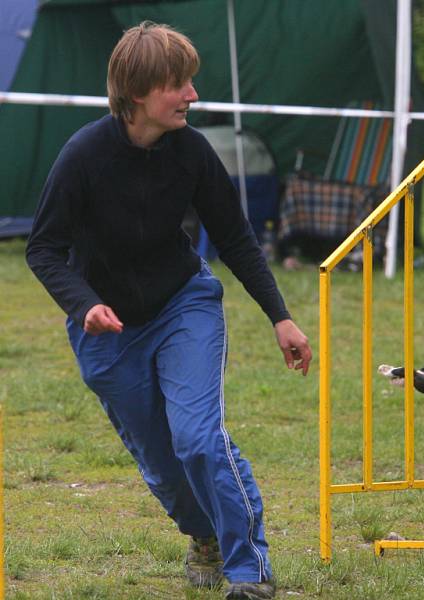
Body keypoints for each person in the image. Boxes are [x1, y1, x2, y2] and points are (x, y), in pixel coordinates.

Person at [25, 22, 311, 600]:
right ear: (137, 93)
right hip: (107, 328)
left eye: (190, 83)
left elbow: (235, 238)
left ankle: (248, 570)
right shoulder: (82, 155)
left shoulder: (192, 152)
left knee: (199, 439)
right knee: (161, 462)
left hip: (184, 304)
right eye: (178, 84)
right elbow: (44, 249)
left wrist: (280, 316)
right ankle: (202, 534)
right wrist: (86, 304)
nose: (192, 95)